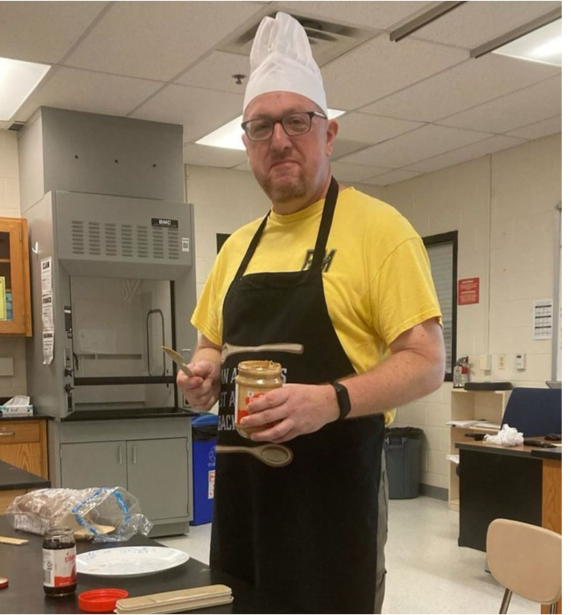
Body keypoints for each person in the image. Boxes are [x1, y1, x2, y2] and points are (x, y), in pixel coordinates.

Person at [174, 13, 445, 615]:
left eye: (298, 121)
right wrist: (201, 375)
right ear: (245, 142)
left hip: (331, 500)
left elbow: (427, 365)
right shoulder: (236, 246)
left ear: (329, 133)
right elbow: (209, 346)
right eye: (261, 126)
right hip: (243, 497)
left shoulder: (381, 230)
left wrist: (328, 400)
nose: (279, 139)